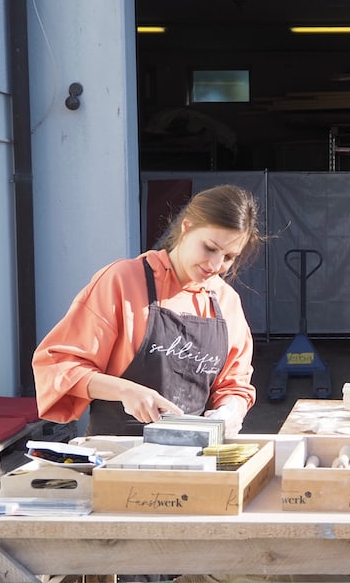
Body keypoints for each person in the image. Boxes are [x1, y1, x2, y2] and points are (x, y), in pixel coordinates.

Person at [33, 184, 261, 439]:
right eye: (209, 248)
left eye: (229, 257)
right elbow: (58, 365)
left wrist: (231, 410)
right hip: (116, 457)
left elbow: (235, 383)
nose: (216, 265)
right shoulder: (122, 281)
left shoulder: (226, 301)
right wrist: (124, 391)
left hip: (195, 460)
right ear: (186, 227)